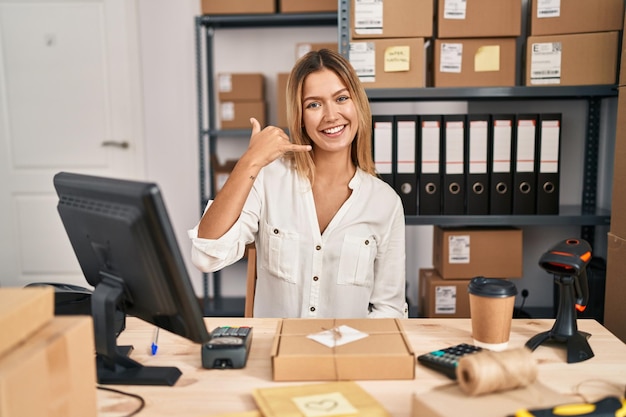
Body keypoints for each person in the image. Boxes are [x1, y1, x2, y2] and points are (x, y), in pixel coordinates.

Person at [188, 48, 406, 318]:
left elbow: (389, 310)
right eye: (314, 104)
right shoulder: (270, 179)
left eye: (341, 98)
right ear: (300, 117)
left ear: (358, 105)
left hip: (347, 355)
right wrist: (250, 161)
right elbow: (206, 257)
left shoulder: (385, 203)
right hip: (275, 353)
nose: (331, 115)